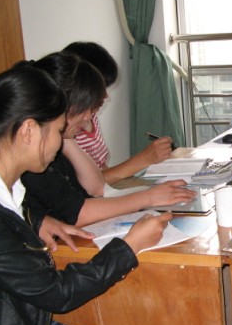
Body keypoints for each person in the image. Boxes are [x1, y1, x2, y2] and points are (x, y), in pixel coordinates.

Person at [0, 63, 170, 325]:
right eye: (57, 131)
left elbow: (14, 212)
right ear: (29, 131)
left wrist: (38, 219)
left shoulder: (4, 187)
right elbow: (58, 293)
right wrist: (129, 247)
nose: (59, 143)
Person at [19, 52, 196, 240]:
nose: (89, 119)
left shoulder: (59, 143)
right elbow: (77, 214)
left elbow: (96, 187)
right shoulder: (33, 155)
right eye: (86, 109)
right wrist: (149, 197)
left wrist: (66, 138)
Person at [63, 41, 174, 186]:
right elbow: (86, 186)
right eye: (99, 89)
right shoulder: (69, 131)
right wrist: (143, 159)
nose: (105, 96)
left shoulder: (90, 118)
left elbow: (102, 172)